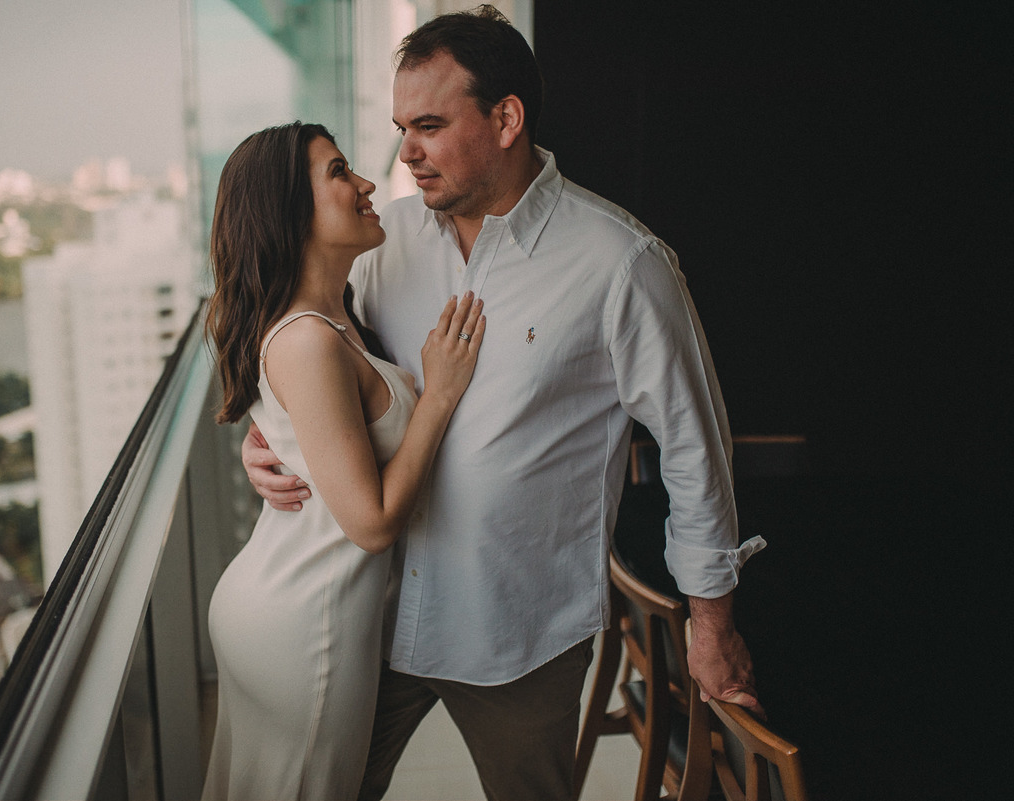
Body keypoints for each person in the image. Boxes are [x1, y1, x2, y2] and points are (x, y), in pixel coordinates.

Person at [243, 7, 766, 800]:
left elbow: (695, 448)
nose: (405, 153)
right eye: (401, 129)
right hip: (369, 615)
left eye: (428, 126)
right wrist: (269, 438)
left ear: (506, 119)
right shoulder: (384, 244)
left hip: (518, 632)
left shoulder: (622, 264)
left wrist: (713, 626)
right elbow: (316, 359)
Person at [200, 121, 485, 801]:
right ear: (289, 211)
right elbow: (373, 523)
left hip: (294, 601)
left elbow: (308, 428)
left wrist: (267, 440)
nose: (364, 184)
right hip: (305, 623)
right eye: (337, 172)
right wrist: (440, 394)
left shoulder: (333, 319)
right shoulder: (308, 339)